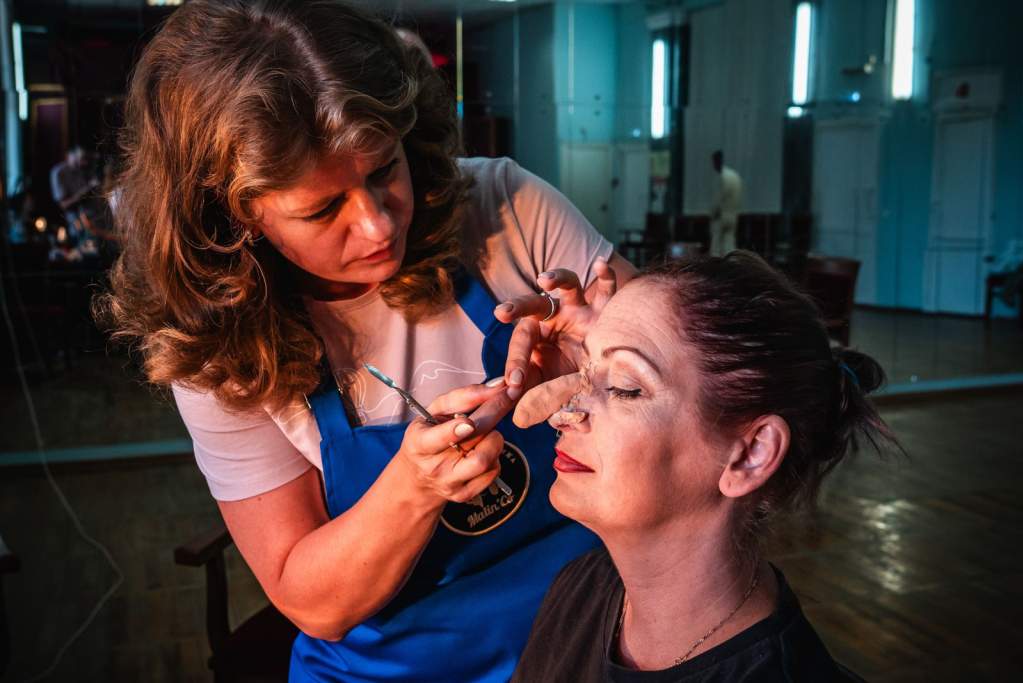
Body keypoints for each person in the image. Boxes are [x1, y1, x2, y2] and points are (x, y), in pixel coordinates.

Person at [94, 1, 634, 681]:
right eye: (323, 208)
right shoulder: (218, 346)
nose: (378, 225)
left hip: (591, 631)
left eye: (384, 170)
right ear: (238, 215)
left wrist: (607, 365)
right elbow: (312, 601)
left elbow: (699, 389)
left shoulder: (503, 210)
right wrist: (412, 489)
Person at [511, 251, 898, 682]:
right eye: (582, 371)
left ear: (750, 454)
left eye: (624, 387)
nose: (564, 413)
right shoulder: (581, 588)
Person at [50, 145, 100, 244]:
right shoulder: (59, 173)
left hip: (93, 222)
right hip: (75, 226)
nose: (84, 163)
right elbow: (64, 205)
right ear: (69, 156)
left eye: (85, 159)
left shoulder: (83, 168)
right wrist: (86, 190)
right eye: (80, 159)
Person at [709, 150, 742, 256]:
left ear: (717, 161)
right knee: (729, 244)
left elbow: (719, 199)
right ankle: (731, 263)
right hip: (732, 215)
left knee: (716, 246)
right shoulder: (734, 175)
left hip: (721, 216)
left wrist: (712, 213)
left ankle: (715, 265)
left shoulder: (723, 177)